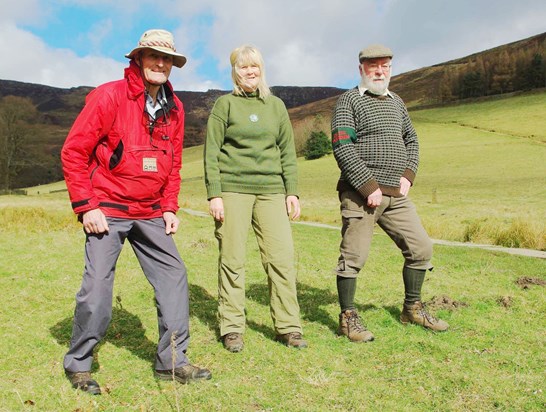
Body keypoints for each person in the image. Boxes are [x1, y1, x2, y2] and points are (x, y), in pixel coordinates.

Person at [61, 29, 211, 394]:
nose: (161, 63)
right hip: (107, 206)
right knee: (97, 287)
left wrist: (170, 206)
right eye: (153, 56)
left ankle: (172, 362)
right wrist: (87, 205)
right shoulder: (108, 95)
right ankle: (79, 364)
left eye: (168, 59)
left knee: (174, 277)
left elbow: (173, 163)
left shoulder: (175, 108)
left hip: (150, 211)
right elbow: (74, 152)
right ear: (139, 58)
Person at [331, 44, 449, 343]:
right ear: (361, 69)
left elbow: (412, 140)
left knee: (421, 248)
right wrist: (368, 186)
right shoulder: (348, 101)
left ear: (391, 68)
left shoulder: (397, 102)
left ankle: (412, 308)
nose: (379, 71)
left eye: (385, 65)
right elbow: (343, 146)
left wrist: (409, 175)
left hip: (397, 195)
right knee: (354, 256)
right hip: (360, 195)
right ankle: (348, 318)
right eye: (373, 66)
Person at [204, 45, 307, 353]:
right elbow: (211, 153)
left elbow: (287, 152)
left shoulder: (276, 106)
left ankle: (288, 326)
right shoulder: (225, 105)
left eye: (255, 66)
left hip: (272, 191)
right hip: (233, 189)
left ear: (262, 69)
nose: (250, 71)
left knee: (281, 259)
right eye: (243, 67)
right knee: (233, 259)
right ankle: (232, 327)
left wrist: (292, 192)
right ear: (234, 71)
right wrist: (215, 195)